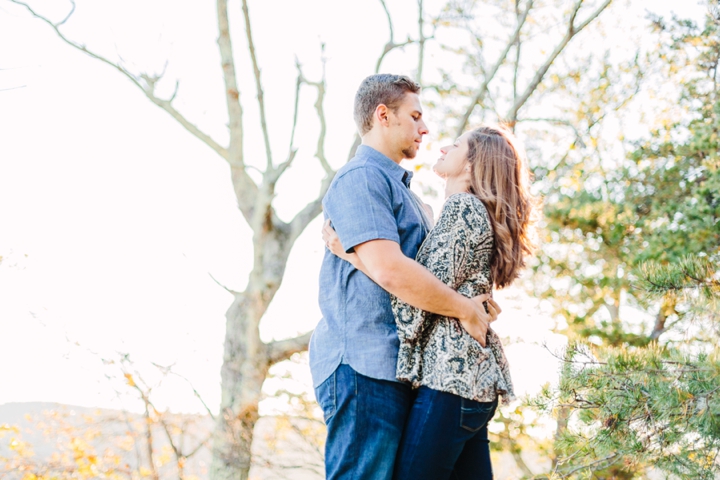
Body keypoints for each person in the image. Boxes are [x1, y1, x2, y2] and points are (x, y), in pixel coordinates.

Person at [309, 74, 502, 480]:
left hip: (399, 370)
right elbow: (390, 270)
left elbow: (430, 276)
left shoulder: (412, 198)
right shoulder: (361, 178)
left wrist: (474, 293)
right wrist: (465, 310)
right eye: (414, 116)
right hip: (364, 364)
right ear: (383, 115)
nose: (425, 128)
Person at [324, 124, 537, 479]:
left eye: (455, 146)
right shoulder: (466, 213)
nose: (441, 149)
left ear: (471, 165)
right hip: (471, 385)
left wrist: (353, 257)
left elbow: (417, 298)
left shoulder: (463, 210)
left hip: (449, 382)